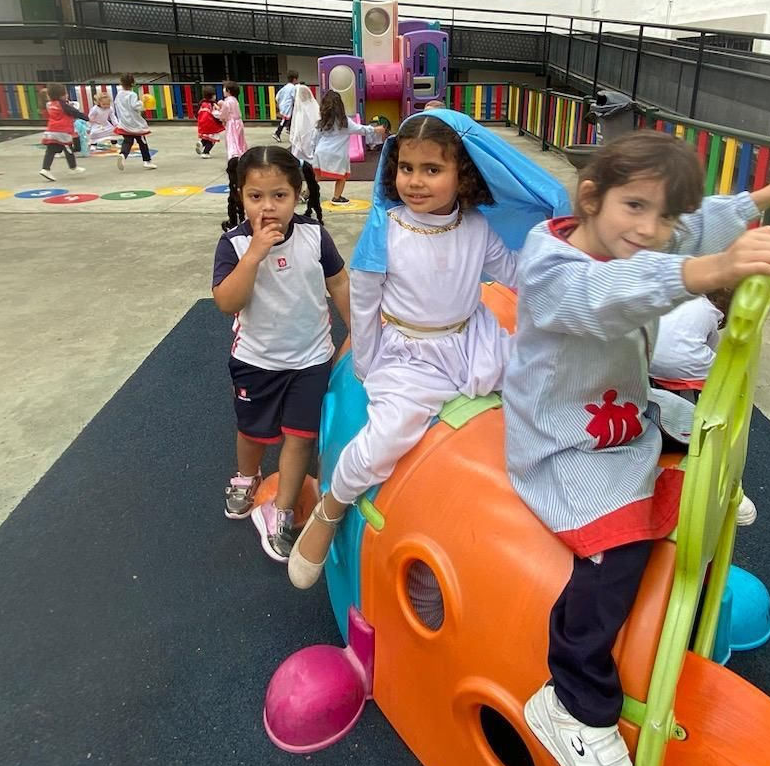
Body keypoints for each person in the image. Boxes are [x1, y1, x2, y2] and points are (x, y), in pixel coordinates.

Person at [504, 130, 770, 766]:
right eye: (634, 207)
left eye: (663, 216)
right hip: (562, 437)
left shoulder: (638, 237)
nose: (651, 230)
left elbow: (692, 226)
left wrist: (759, 202)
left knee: (680, 436)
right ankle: (573, 702)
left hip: (617, 405)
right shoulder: (553, 267)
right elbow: (607, 295)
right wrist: (706, 272)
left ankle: (678, 486)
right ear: (591, 197)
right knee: (615, 549)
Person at [287, 110, 569, 589]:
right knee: (387, 437)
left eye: (432, 170)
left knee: (552, 373)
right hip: (410, 350)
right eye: (407, 168)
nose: (415, 182)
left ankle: (610, 455)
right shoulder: (387, 226)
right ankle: (330, 508)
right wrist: (369, 359)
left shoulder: (477, 226)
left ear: (463, 175)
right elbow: (365, 296)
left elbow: (517, 274)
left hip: (472, 338)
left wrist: (569, 262)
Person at [213, 147, 349, 562]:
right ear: (241, 196)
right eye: (256, 197)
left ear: (298, 195)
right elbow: (226, 301)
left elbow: (339, 283)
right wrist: (255, 253)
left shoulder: (314, 236)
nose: (268, 207)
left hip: (310, 361)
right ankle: (247, 476)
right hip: (256, 361)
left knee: (300, 437)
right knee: (253, 431)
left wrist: (360, 331)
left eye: (279, 196)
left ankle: (283, 509)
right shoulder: (235, 244)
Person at [647, 288, 756, 526]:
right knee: (720, 374)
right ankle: (728, 490)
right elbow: (705, 348)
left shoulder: (675, 296)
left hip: (649, 362)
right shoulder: (711, 312)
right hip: (680, 377)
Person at [312, 92, 384, 205]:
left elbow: (315, 138)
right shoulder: (344, 122)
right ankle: (337, 197)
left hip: (320, 152)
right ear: (340, 106)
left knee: (317, 176)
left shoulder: (322, 122)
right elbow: (361, 129)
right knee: (342, 176)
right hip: (338, 154)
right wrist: (375, 129)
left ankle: (307, 193)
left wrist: (314, 150)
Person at [39, 83, 89, 181]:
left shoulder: (49, 104)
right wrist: (86, 117)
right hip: (63, 131)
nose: (67, 95)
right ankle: (73, 167)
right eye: (66, 93)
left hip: (51, 131)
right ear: (61, 95)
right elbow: (74, 112)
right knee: (68, 148)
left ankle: (45, 168)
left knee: (50, 150)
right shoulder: (63, 105)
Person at [112, 74, 156, 170]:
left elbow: (116, 105)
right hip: (135, 123)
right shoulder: (132, 95)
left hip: (124, 123)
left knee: (127, 141)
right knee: (142, 142)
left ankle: (123, 154)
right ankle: (147, 161)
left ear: (121, 83)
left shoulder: (119, 94)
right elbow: (135, 106)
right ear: (133, 83)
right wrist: (142, 102)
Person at [288, 83, 320, 166]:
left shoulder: (300, 109)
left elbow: (298, 126)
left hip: (304, 136)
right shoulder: (314, 104)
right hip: (313, 136)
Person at [220, 81, 248, 160]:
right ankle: (242, 153)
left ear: (228, 90)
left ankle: (233, 156)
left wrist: (221, 117)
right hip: (238, 121)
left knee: (232, 139)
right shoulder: (235, 100)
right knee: (240, 139)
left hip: (231, 123)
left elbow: (224, 113)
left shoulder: (227, 101)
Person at [195, 90, 224, 158]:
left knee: (206, 137)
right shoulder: (213, 104)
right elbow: (216, 114)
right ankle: (206, 152)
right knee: (212, 139)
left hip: (203, 124)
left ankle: (201, 143)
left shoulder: (202, 103)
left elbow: (197, 113)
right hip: (212, 124)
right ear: (212, 96)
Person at [273, 73, 299, 141]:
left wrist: (279, 103)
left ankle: (290, 130)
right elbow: (294, 97)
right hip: (287, 106)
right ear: (294, 79)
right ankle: (277, 133)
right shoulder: (293, 87)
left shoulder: (285, 87)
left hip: (283, 105)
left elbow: (277, 96)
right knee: (285, 120)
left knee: (290, 118)